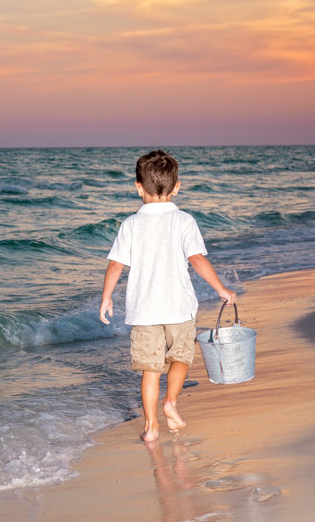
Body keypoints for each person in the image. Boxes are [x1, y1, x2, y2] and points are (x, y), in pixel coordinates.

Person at [100, 150, 236, 443]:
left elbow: (115, 264)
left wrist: (106, 298)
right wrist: (221, 289)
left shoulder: (131, 224)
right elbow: (197, 260)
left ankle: (151, 427)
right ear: (177, 187)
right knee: (180, 359)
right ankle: (171, 401)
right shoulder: (184, 221)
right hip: (179, 308)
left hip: (145, 312)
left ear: (138, 186)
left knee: (150, 370)